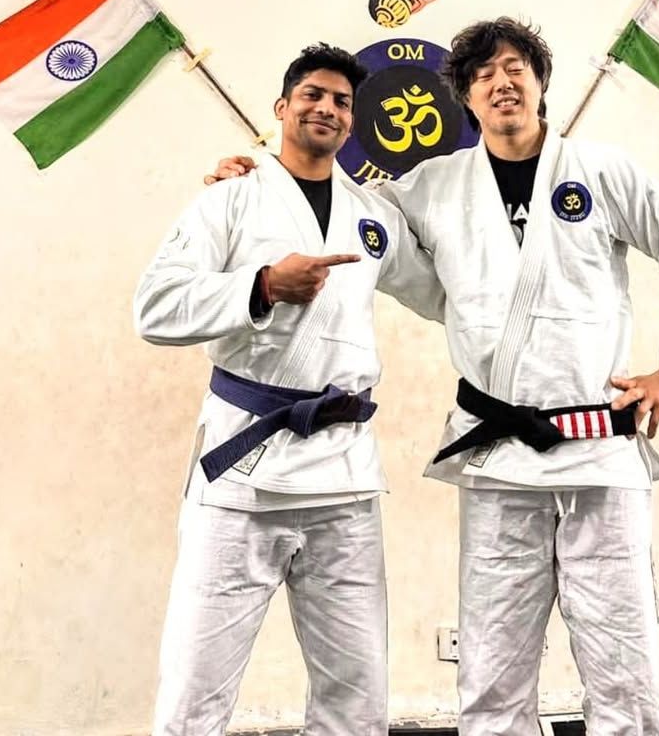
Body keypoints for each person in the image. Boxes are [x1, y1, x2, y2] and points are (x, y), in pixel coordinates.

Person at [207, 18, 659, 736]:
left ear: (540, 84)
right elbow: (338, 211)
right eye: (483, 75)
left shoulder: (605, 171)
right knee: (490, 665)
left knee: (624, 659)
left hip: (600, 449)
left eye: (515, 69)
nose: (501, 83)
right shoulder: (433, 185)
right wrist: (253, 184)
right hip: (497, 454)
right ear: (467, 99)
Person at [135, 43, 444, 736]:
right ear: (281, 107)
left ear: (352, 121)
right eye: (312, 95)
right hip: (243, 473)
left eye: (341, 101)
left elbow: (445, 296)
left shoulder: (372, 214)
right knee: (196, 687)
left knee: (358, 695)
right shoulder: (230, 199)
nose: (327, 108)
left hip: (344, 479)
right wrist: (264, 285)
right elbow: (154, 309)